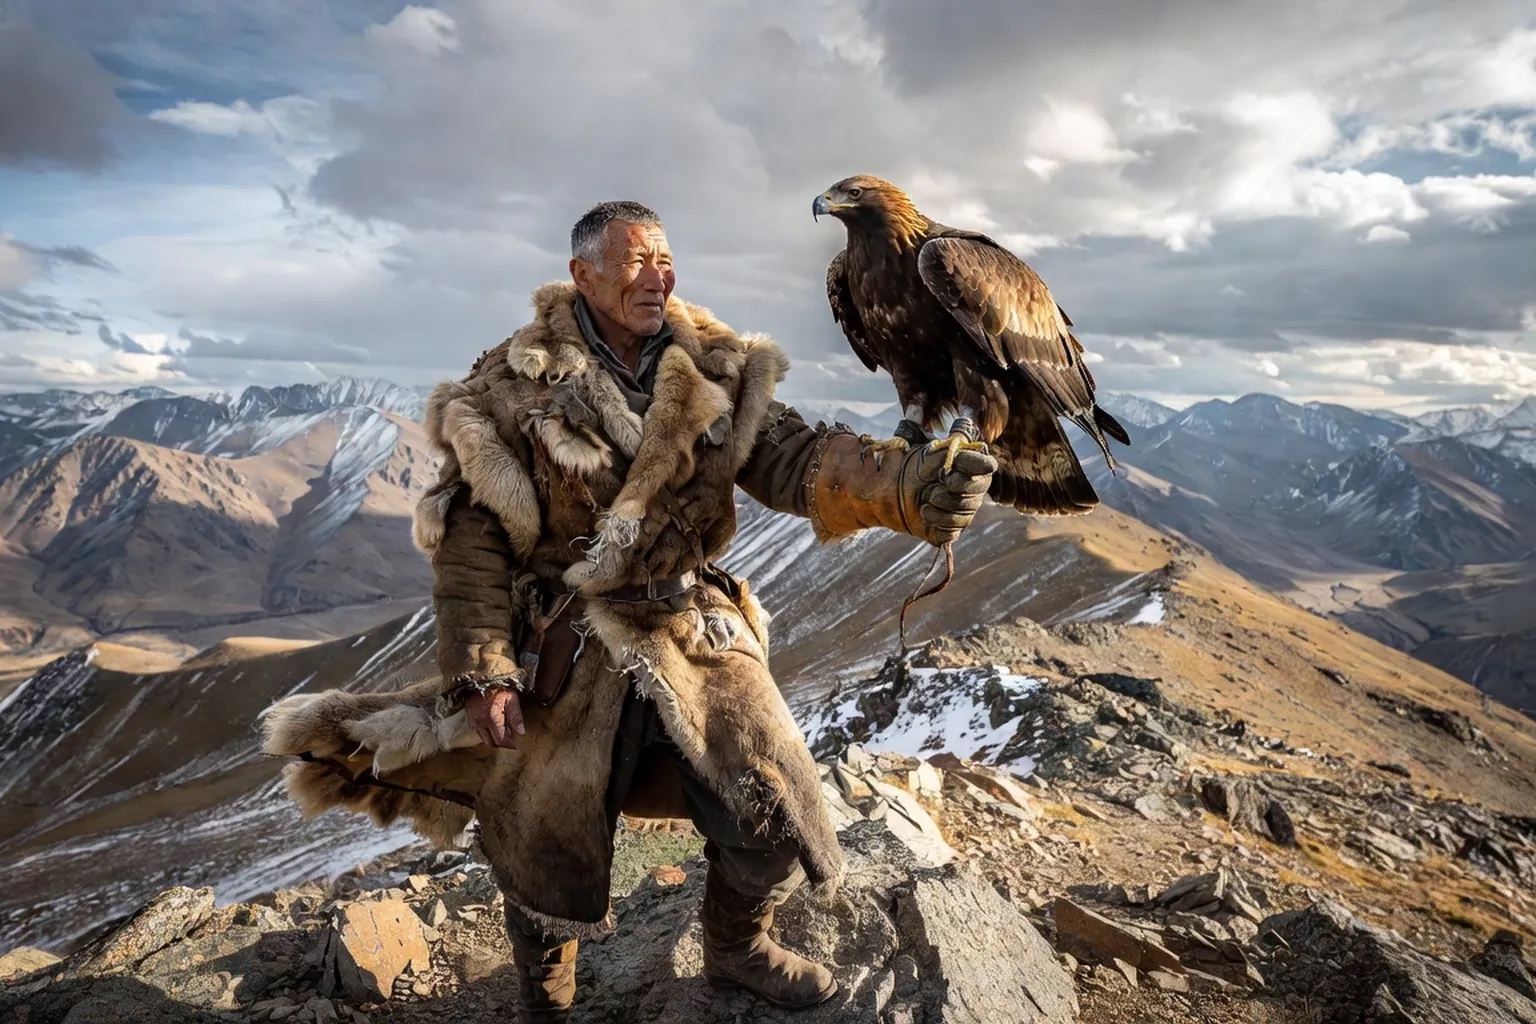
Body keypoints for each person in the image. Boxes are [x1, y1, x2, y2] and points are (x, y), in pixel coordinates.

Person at [262, 200, 996, 1022]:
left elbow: (791, 456)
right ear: (582, 275)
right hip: (564, 643)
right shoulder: (509, 387)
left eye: (666, 259)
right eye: (638, 261)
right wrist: (483, 670)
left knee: (776, 804)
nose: (660, 276)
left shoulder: (718, 366)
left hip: (691, 633)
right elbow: (471, 546)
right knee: (544, 836)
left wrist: (900, 487)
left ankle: (738, 949)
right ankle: (548, 998)